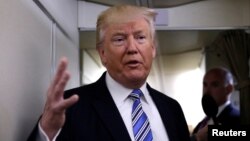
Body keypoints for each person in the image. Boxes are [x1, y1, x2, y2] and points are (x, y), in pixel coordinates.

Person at [27, 5, 191, 141]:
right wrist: (47, 131)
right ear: (103, 53)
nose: (132, 48)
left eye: (140, 37)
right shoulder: (72, 108)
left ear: (153, 49)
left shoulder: (172, 109)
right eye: (120, 39)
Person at [191, 67, 240, 141]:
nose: (207, 91)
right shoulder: (202, 123)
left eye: (214, 85)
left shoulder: (238, 119)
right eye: (205, 84)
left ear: (229, 89)